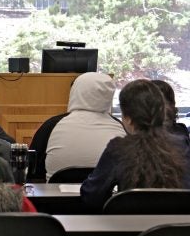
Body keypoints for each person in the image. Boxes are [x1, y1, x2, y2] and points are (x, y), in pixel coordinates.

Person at [80, 79, 190, 210]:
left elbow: (92, 196)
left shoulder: (118, 149)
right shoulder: (181, 145)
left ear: (128, 119)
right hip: (177, 228)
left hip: (129, 228)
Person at [45, 72, 126, 181]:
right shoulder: (119, 126)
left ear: (75, 91)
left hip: (54, 196)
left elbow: (33, 165)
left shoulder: (52, 124)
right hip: (106, 197)